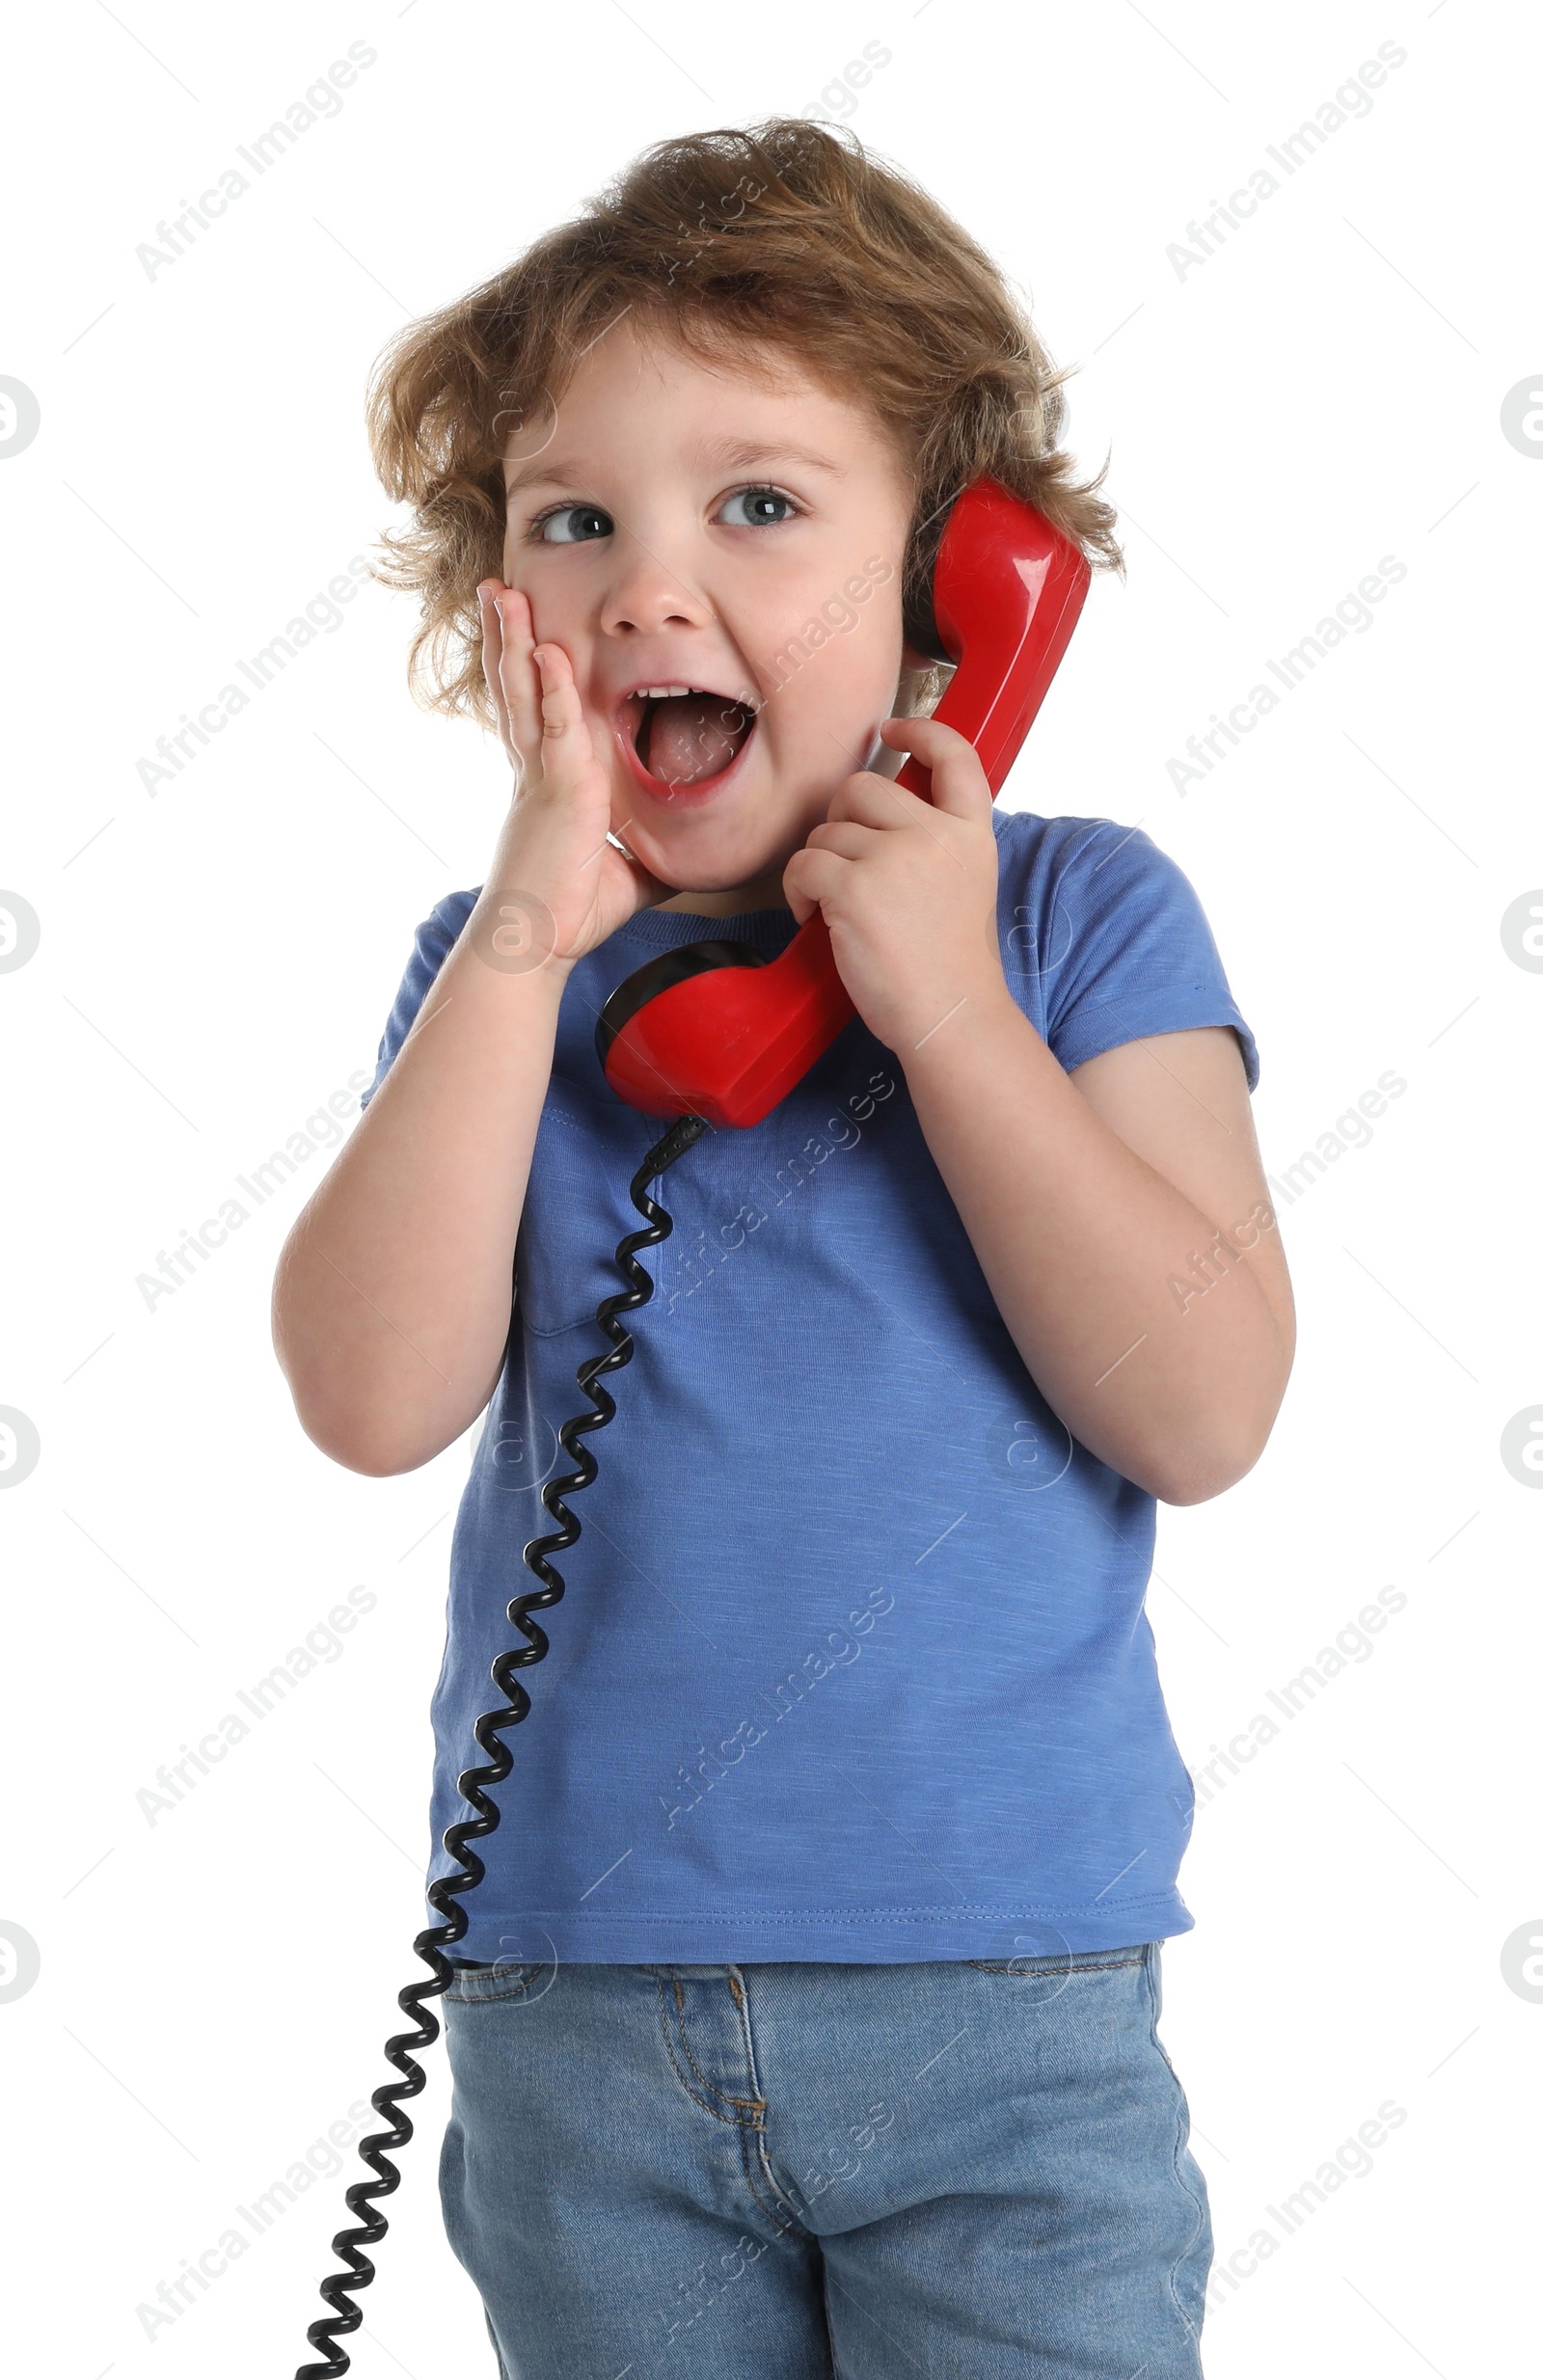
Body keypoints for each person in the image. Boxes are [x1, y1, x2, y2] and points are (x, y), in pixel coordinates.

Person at [272, 116, 1294, 2380]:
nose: (653, 582)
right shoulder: (502, 970)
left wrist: (937, 1002)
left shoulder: (1074, 916)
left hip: (998, 2007)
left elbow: (1200, 1403)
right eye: (574, 519)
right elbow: (364, 1395)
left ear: (958, 587)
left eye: (756, 503)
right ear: (496, 618)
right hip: (578, 2010)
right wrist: (527, 944)